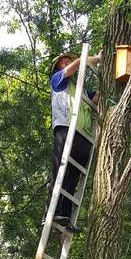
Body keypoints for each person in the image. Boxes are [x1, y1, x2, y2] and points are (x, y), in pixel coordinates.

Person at [49, 49, 102, 233]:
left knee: (73, 176)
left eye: (67, 62)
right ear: (58, 67)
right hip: (65, 128)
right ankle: (54, 211)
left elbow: (96, 98)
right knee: (61, 171)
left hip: (83, 135)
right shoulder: (58, 80)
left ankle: (65, 215)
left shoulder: (81, 90)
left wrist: (107, 76)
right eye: (63, 62)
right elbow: (77, 63)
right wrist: (95, 59)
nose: (66, 64)